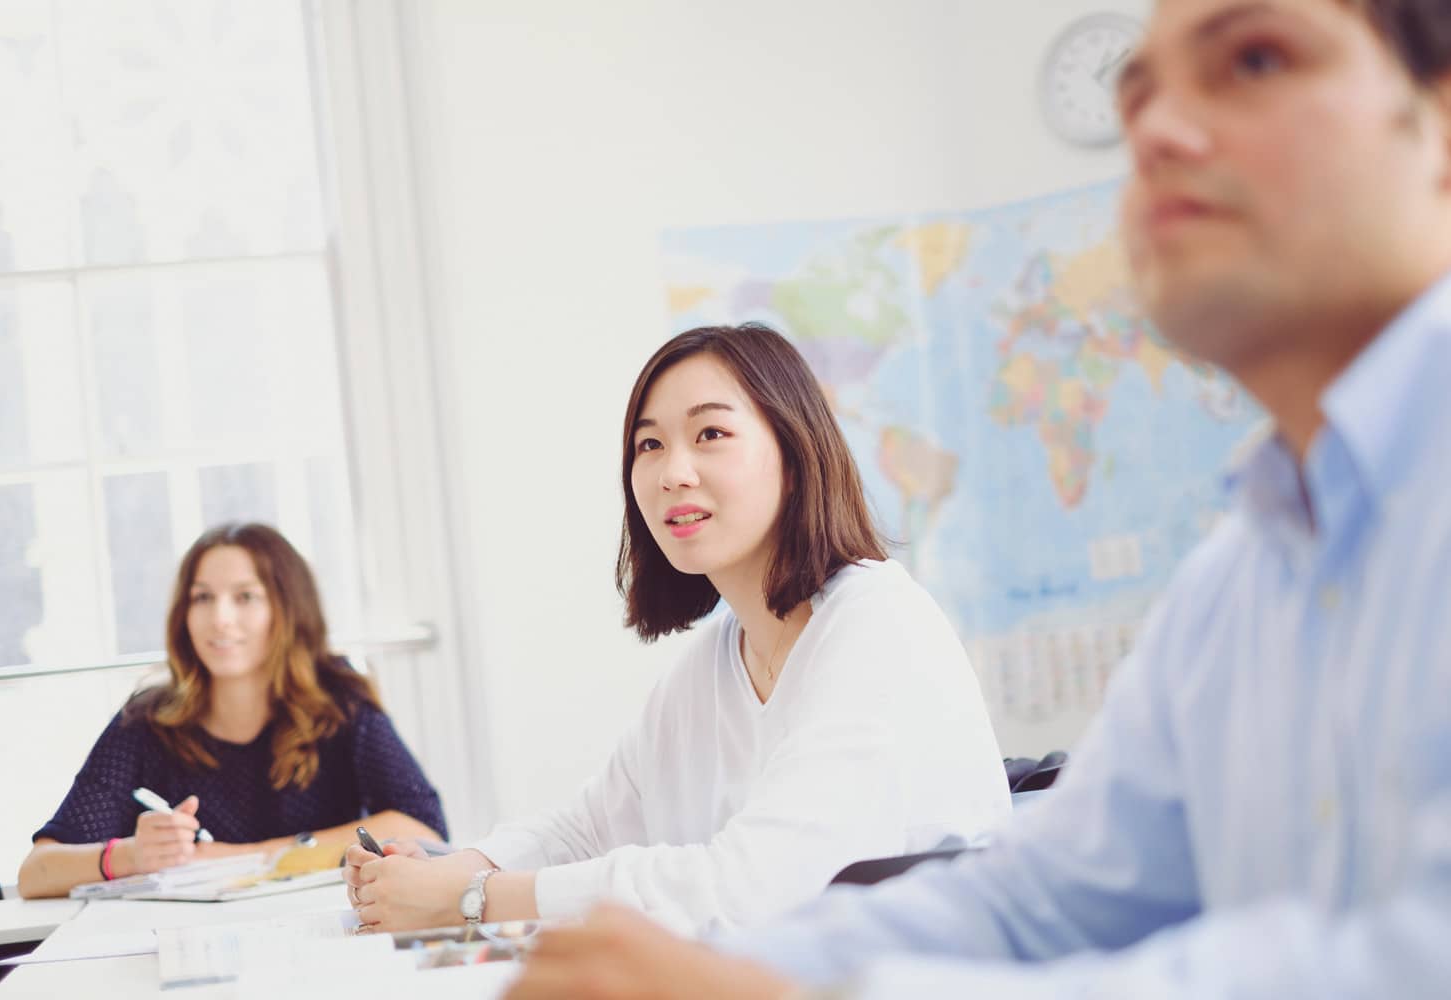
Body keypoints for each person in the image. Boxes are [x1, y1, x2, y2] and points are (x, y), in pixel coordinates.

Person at [499, 0, 1451, 996]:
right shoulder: (1247, 574)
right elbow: (1041, 899)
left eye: (1256, 58)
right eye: (1139, 96)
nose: (1159, 131)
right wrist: (714, 974)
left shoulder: (872, 620)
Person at [344, 324, 1011, 934]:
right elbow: (590, 827)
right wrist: (446, 871)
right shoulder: (715, 661)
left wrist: (470, 897)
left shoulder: (876, 627)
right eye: (650, 445)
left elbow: (749, 888)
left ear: (795, 450)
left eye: (710, 435)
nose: (673, 473)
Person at [17, 522, 447, 899]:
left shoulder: (340, 704)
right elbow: (36, 873)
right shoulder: (146, 722)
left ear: (288, 611)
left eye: (245, 597)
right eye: (202, 598)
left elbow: (424, 830)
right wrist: (130, 855)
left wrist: (242, 858)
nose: (219, 618)